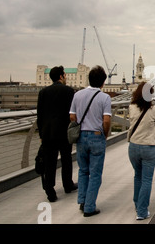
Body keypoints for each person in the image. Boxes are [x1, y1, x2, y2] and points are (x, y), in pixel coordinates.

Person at [69, 65, 112, 217]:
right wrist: (104, 134)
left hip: (81, 136)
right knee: (95, 174)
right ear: (102, 83)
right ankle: (89, 207)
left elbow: (72, 117)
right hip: (96, 136)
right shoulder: (104, 97)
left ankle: (82, 201)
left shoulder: (77, 95)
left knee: (83, 171)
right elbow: (106, 120)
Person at [37, 66, 77, 202]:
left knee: (50, 162)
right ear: (61, 76)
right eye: (64, 75)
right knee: (66, 159)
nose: (65, 77)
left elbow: (40, 115)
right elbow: (73, 113)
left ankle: (50, 191)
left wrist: (41, 135)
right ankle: (68, 184)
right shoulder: (69, 91)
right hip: (64, 132)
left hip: (48, 133)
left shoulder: (43, 92)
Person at [128, 82, 155, 220]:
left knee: (138, 176)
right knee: (147, 179)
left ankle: (137, 204)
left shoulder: (131, 107)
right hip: (149, 147)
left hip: (134, 147)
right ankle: (142, 212)